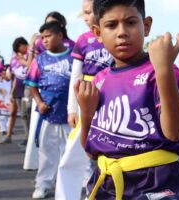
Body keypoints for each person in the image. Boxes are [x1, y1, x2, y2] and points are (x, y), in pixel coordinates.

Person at [74, 0, 179, 199]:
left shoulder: (161, 71)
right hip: (107, 183)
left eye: (130, 22)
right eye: (111, 25)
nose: (122, 32)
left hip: (155, 183)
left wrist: (163, 70)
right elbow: (91, 151)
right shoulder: (100, 79)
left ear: (146, 26)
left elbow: (175, 132)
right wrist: (85, 112)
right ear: (98, 33)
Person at [55, 0, 113, 199]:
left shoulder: (116, 35)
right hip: (85, 99)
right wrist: (72, 109)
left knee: (107, 150)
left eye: (89, 12)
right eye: (84, 13)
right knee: (74, 152)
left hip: (112, 99)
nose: (86, 18)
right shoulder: (83, 40)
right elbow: (76, 77)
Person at [24, 21, 73, 199]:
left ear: (60, 36)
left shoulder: (74, 57)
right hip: (48, 111)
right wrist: (39, 102)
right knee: (46, 152)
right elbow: (32, 84)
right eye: (42, 37)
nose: (44, 40)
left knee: (72, 151)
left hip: (70, 112)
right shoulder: (40, 59)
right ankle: (43, 184)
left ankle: (78, 184)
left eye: (48, 36)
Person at [0, 37, 31, 144]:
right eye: (18, 47)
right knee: (14, 113)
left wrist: (24, 59)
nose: (21, 48)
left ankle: (29, 137)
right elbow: (13, 77)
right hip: (17, 89)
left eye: (22, 45)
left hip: (28, 88)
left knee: (26, 113)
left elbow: (29, 65)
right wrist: (12, 92)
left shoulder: (30, 54)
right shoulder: (13, 60)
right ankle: (8, 136)